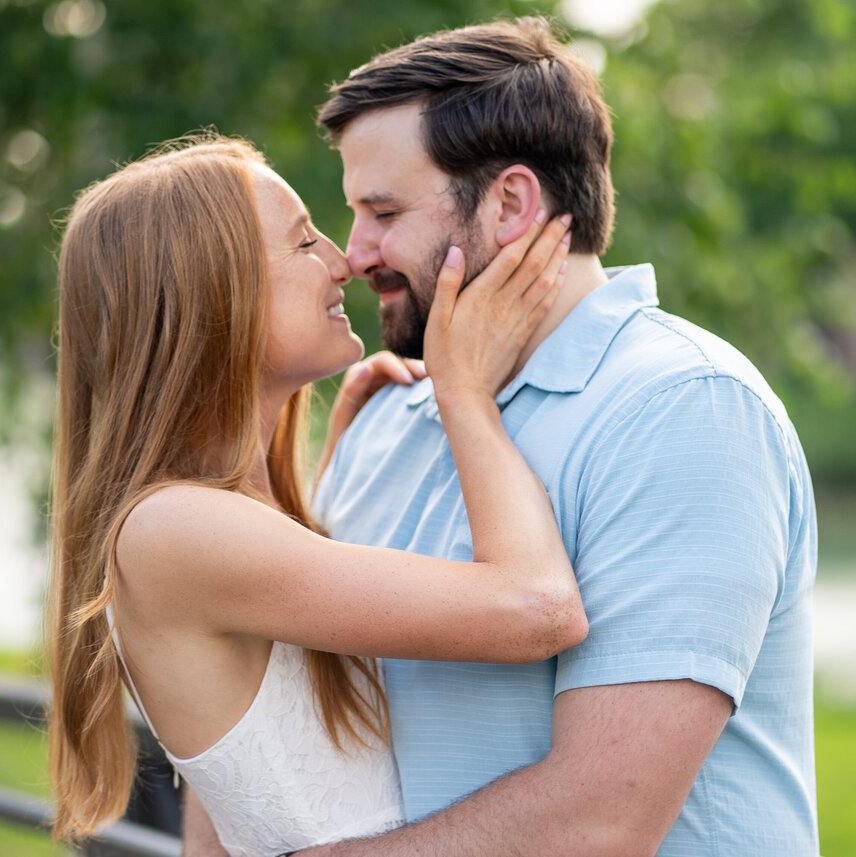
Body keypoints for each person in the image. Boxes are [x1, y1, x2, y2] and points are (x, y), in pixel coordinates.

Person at [188, 15, 818, 857]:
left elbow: (597, 821)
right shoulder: (386, 419)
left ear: (511, 204)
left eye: (383, 212)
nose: (354, 254)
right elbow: (275, 715)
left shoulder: (684, 411)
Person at [46, 133, 586, 856]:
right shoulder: (174, 528)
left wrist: (328, 471)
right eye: (304, 242)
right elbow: (541, 609)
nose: (344, 262)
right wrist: (465, 393)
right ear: (215, 291)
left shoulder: (211, 518)